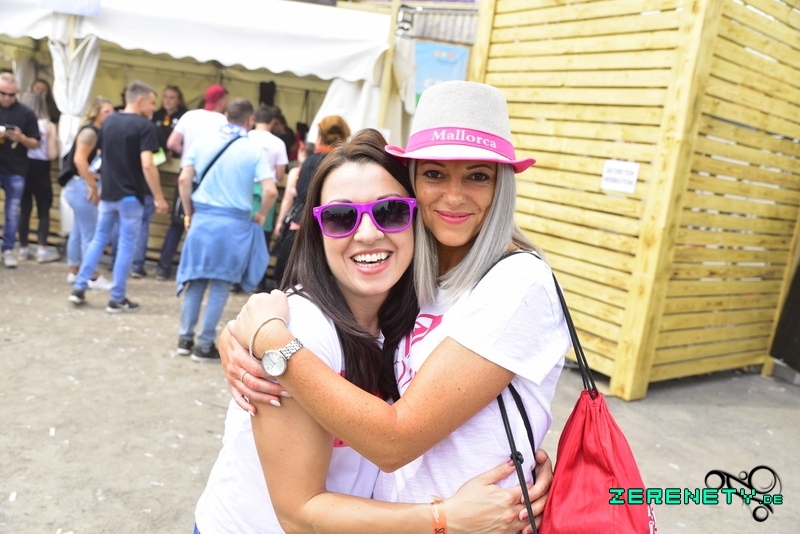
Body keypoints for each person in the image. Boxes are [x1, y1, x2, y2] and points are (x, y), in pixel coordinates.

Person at [222, 81, 569, 528]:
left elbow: (396, 440)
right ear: (414, 185)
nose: (454, 196)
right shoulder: (417, 277)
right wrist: (237, 337)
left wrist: (273, 344)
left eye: (478, 176)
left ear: (503, 185)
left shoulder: (518, 282)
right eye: (435, 174)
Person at [175, 98, 277, 363]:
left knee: (196, 281)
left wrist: (189, 211)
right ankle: (203, 345)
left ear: (227, 115)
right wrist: (261, 214)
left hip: (202, 220)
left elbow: (184, 179)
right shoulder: (253, 150)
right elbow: (270, 190)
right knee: (220, 284)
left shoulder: (203, 141)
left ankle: (185, 339)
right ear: (250, 119)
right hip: (234, 226)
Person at [69, 80, 168, 312]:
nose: (153, 108)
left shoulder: (110, 121)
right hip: (131, 197)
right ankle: (117, 298)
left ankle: (79, 286)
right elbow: (148, 164)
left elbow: (101, 155)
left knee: (99, 238)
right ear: (140, 100)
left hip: (108, 193)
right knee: (125, 246)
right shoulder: (145, 127)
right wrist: (159, 197)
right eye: (152, 103)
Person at [155, 84, 228, 281]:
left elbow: (172, 143)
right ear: (221, 101)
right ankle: (193, 270)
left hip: (186, 173)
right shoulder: (223, 121)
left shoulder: (189, 116)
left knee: (178, 223)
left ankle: (163, 268)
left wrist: (187, 154)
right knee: (203, 224)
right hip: (209, 177)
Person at [271, 115, 350, 285]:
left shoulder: (312, 161)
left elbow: (302, 193)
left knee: (285, 278)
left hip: (302, 228)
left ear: (320, 136)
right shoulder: (346, 163)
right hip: (335, 230)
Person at [61, 97, 114, 289]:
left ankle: (74, 270)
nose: (111, 114)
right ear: (96, 113)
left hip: (78, 185)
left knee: (78, 230)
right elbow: (79, 160)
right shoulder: (90, 132)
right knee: (90, 233)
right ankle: (92, 275)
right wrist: (92, 185)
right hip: (81, 185)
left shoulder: (96, 132)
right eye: (106, 111)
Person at [0, 72, 40, 268]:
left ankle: (7, 249)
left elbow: (36, 143)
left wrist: (20, 138)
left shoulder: (26, 113)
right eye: (3, 93)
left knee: (13, 211)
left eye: (11, 94)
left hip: (15, 168)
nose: (7, 98)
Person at [247, 105, 288, 292]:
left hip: (244, 190)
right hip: (266, 192)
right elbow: (279, 174)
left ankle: (235, 282)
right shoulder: (278, 143)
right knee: (262, 239)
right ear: (273, 121)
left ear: (254, 119)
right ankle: (258, 282)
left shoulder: (244, 138)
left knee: (241, 236)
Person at [17, 91, 59, 263]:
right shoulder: (49, 126)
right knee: (44, 210)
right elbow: (52, 154)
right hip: (41, 169)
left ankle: (23, 248)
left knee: (24, 210)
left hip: (22, 167)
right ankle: (42, 249)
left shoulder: (20, 123)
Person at [151, 85, 187, 157]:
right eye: (165, 97)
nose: (167, 100)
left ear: (179, 100)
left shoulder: (185, 116)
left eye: (171, 98)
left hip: (177, 157)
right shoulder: (156, 115)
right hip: (158, 156)